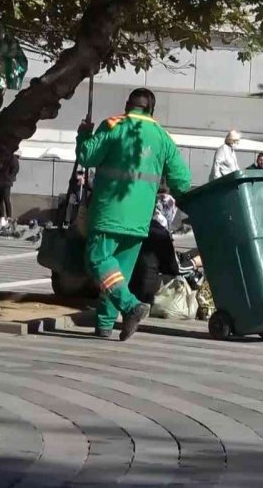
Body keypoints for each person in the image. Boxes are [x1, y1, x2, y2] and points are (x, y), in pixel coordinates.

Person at [76, 87, 191, 341]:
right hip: (140, 219)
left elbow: (87, 156)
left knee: (98, 259)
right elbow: (182, 179)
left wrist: (83, 134)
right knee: (117, 275)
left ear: (128, 104)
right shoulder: (162, 136)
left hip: (110, 212)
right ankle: (105, 325)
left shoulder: (113, 125)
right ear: (152, 109)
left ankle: (131, 307)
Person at [129, 191, 194, 305]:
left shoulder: (138, 225)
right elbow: (174, 269)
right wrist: (195, 262)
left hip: (128, 286)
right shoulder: (161, 233)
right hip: (145, 293)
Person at [0, 152, 20, 226]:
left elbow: (15, 169)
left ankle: (9, 218)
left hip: (6, 182)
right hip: (0, 180)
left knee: (6, 199)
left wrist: (9, 178)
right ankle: (2, 218)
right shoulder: (2, 157)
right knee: (0, 199)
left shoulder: (13, 158)